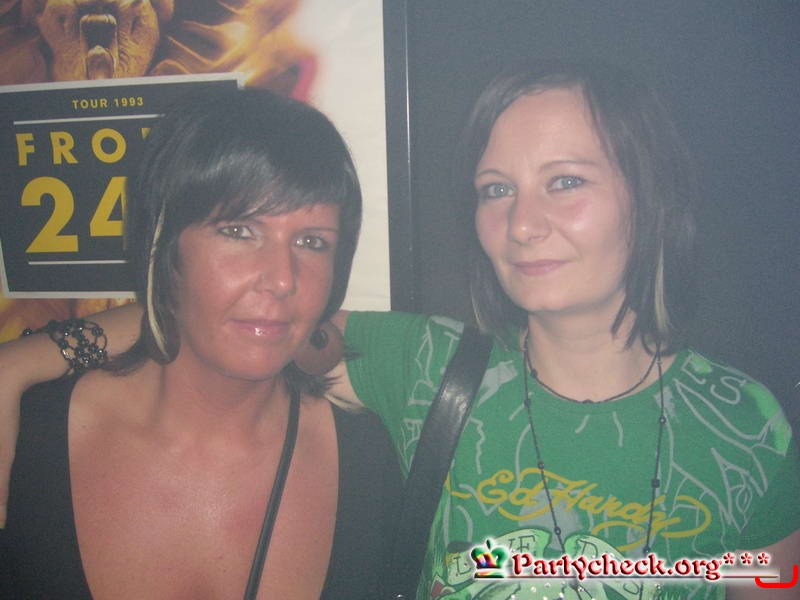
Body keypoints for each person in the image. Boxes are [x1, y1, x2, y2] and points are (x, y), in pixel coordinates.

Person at [1, 59, 798, 599]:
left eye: (564, 182)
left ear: (651, 195)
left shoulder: (747, 426)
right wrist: (26, 362)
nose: (522, 224)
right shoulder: (424, 364)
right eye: (496, 189)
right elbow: (244, 318)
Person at [0, 88, 402, 599]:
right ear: (164, 245)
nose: (283, 279)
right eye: (239, 231)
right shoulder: (25, 435)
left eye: (312, 242)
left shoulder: (377, 460)